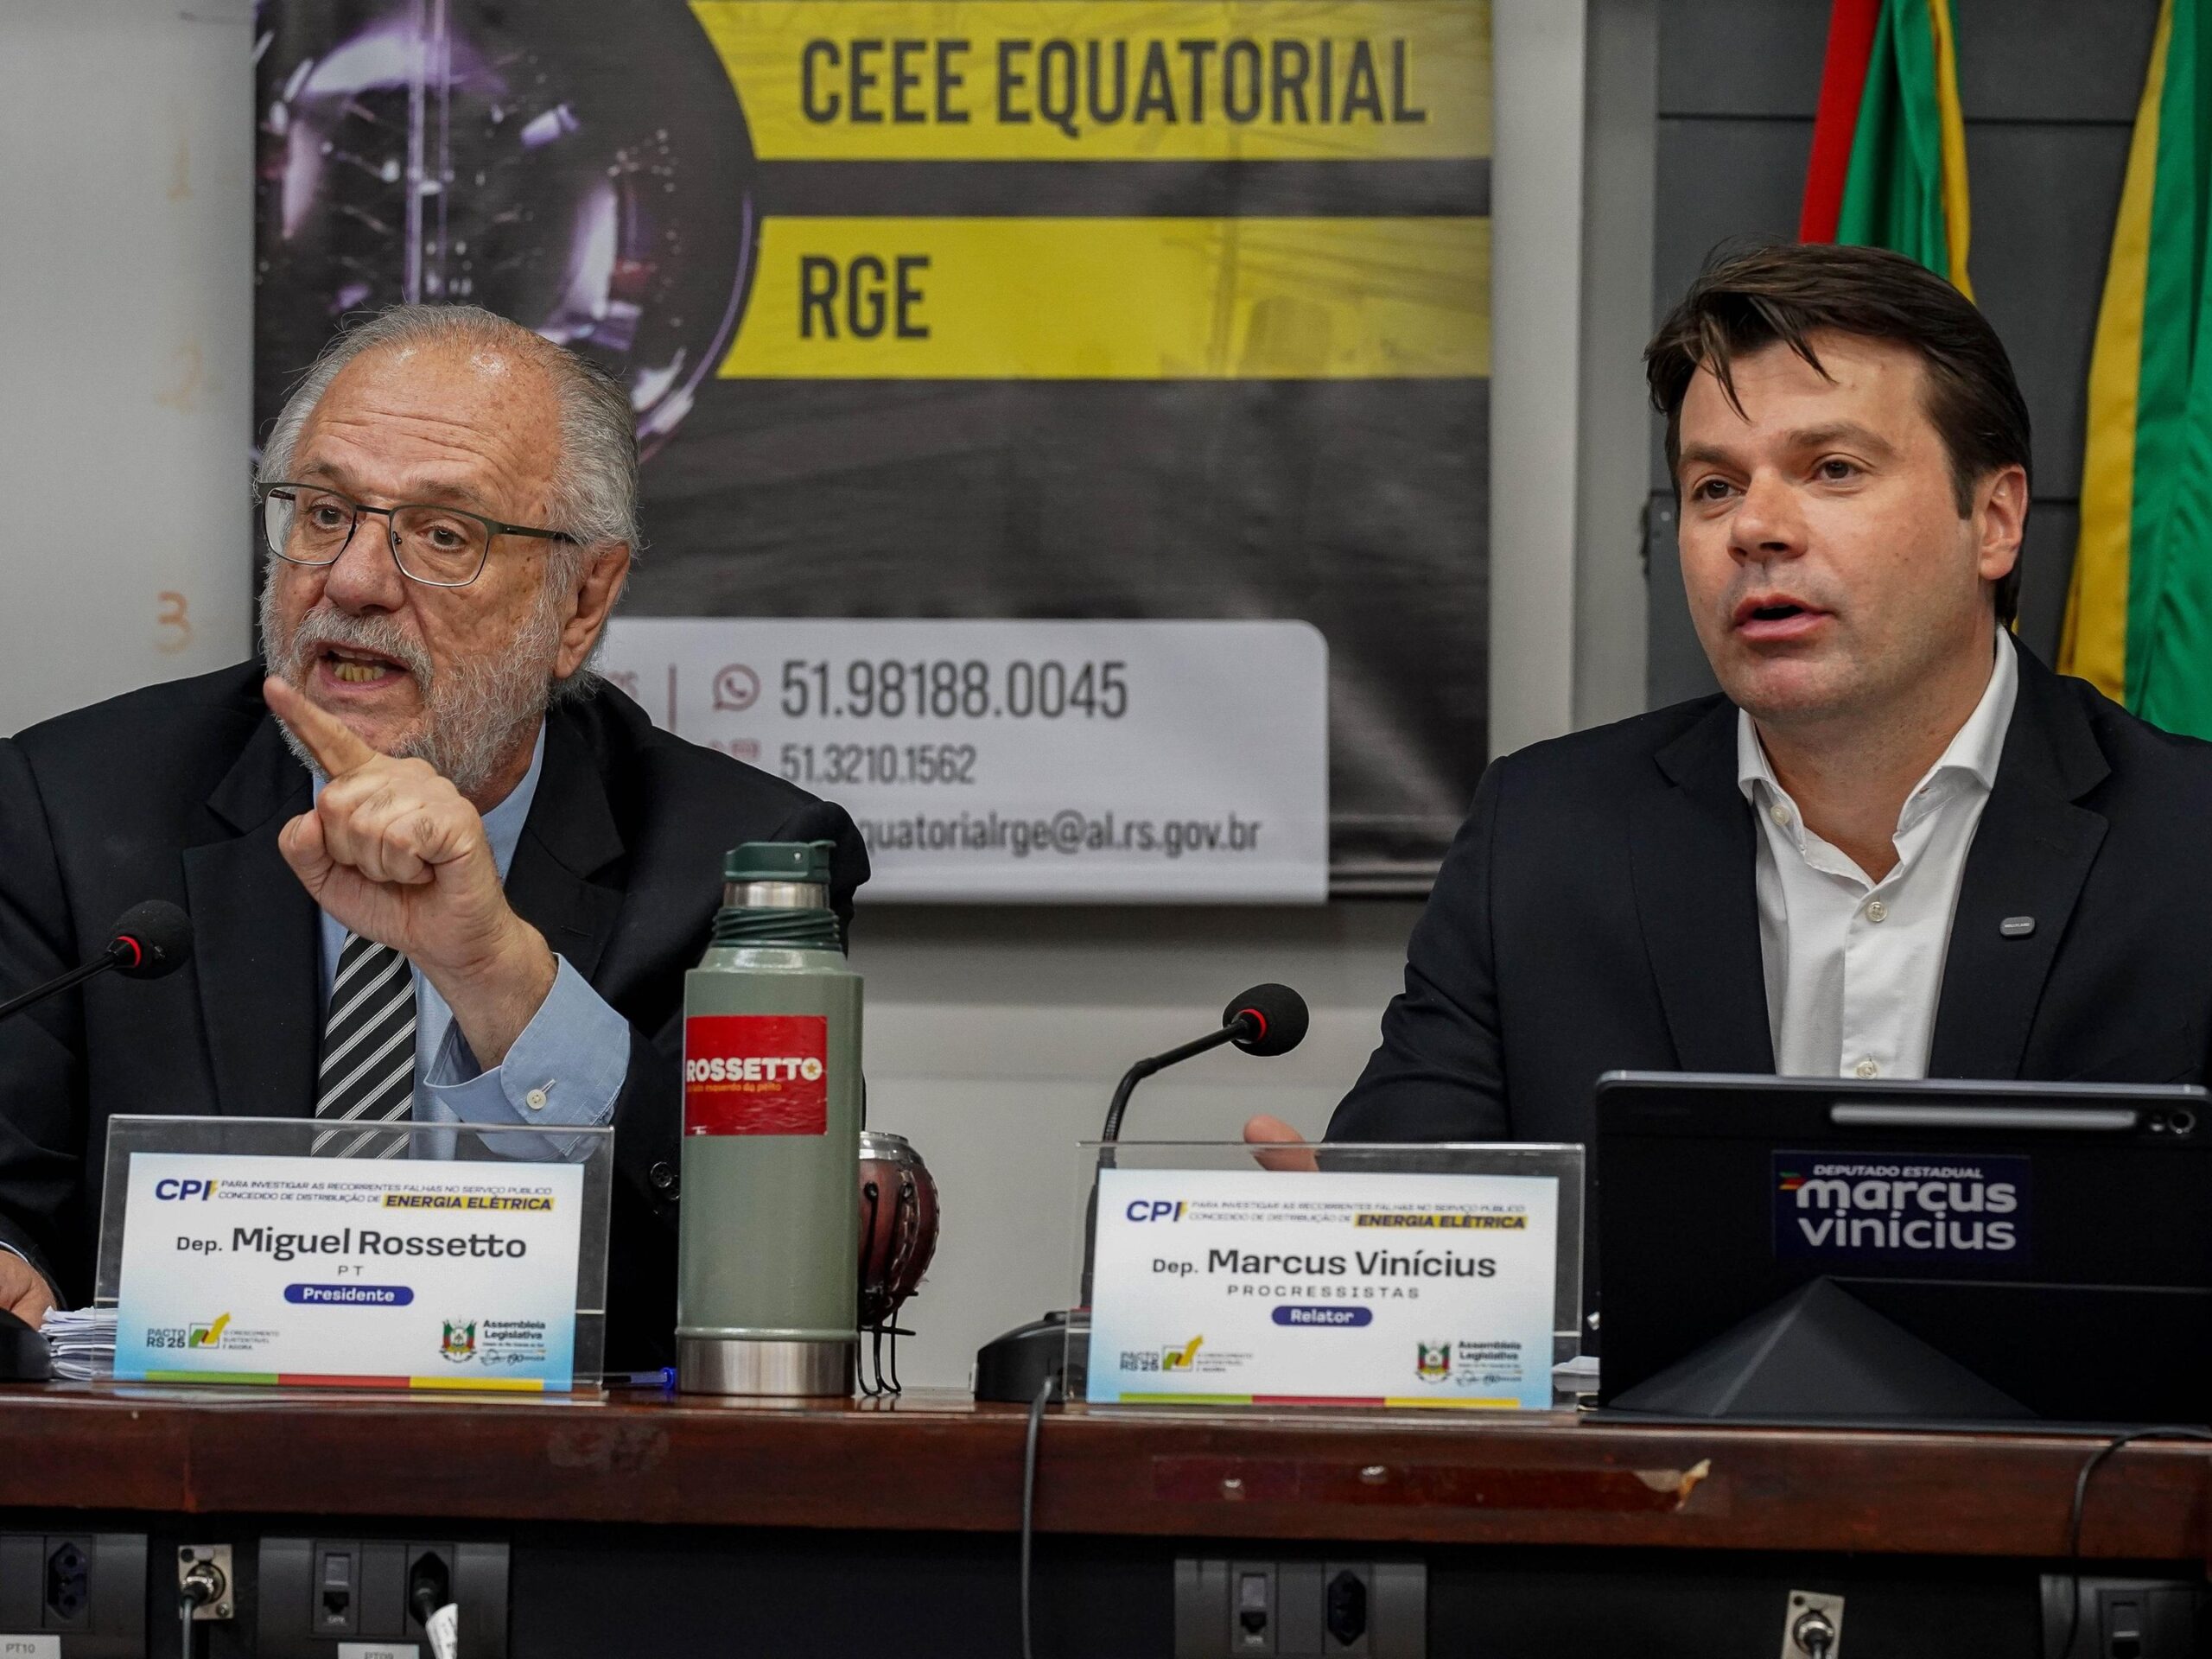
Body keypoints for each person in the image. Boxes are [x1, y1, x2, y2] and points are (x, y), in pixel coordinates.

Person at [0, 305, 866, 1365]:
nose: (354, 581)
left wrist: (499, 973)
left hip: (559, 1467)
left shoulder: (740, 867)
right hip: (180, 1453)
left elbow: (760, 1257)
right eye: (325, 514)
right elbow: (14, 1196)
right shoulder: (72, 809)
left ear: (582, 600)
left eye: (444, 535)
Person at [1248, 241, 2212, 1165]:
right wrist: (1367, 1241)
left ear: (1994, 520)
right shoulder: (1543, 839)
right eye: (1714, 486)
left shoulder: (2187, 845)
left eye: (1833, 469)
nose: (1754, 527)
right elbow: (1418, 1203)